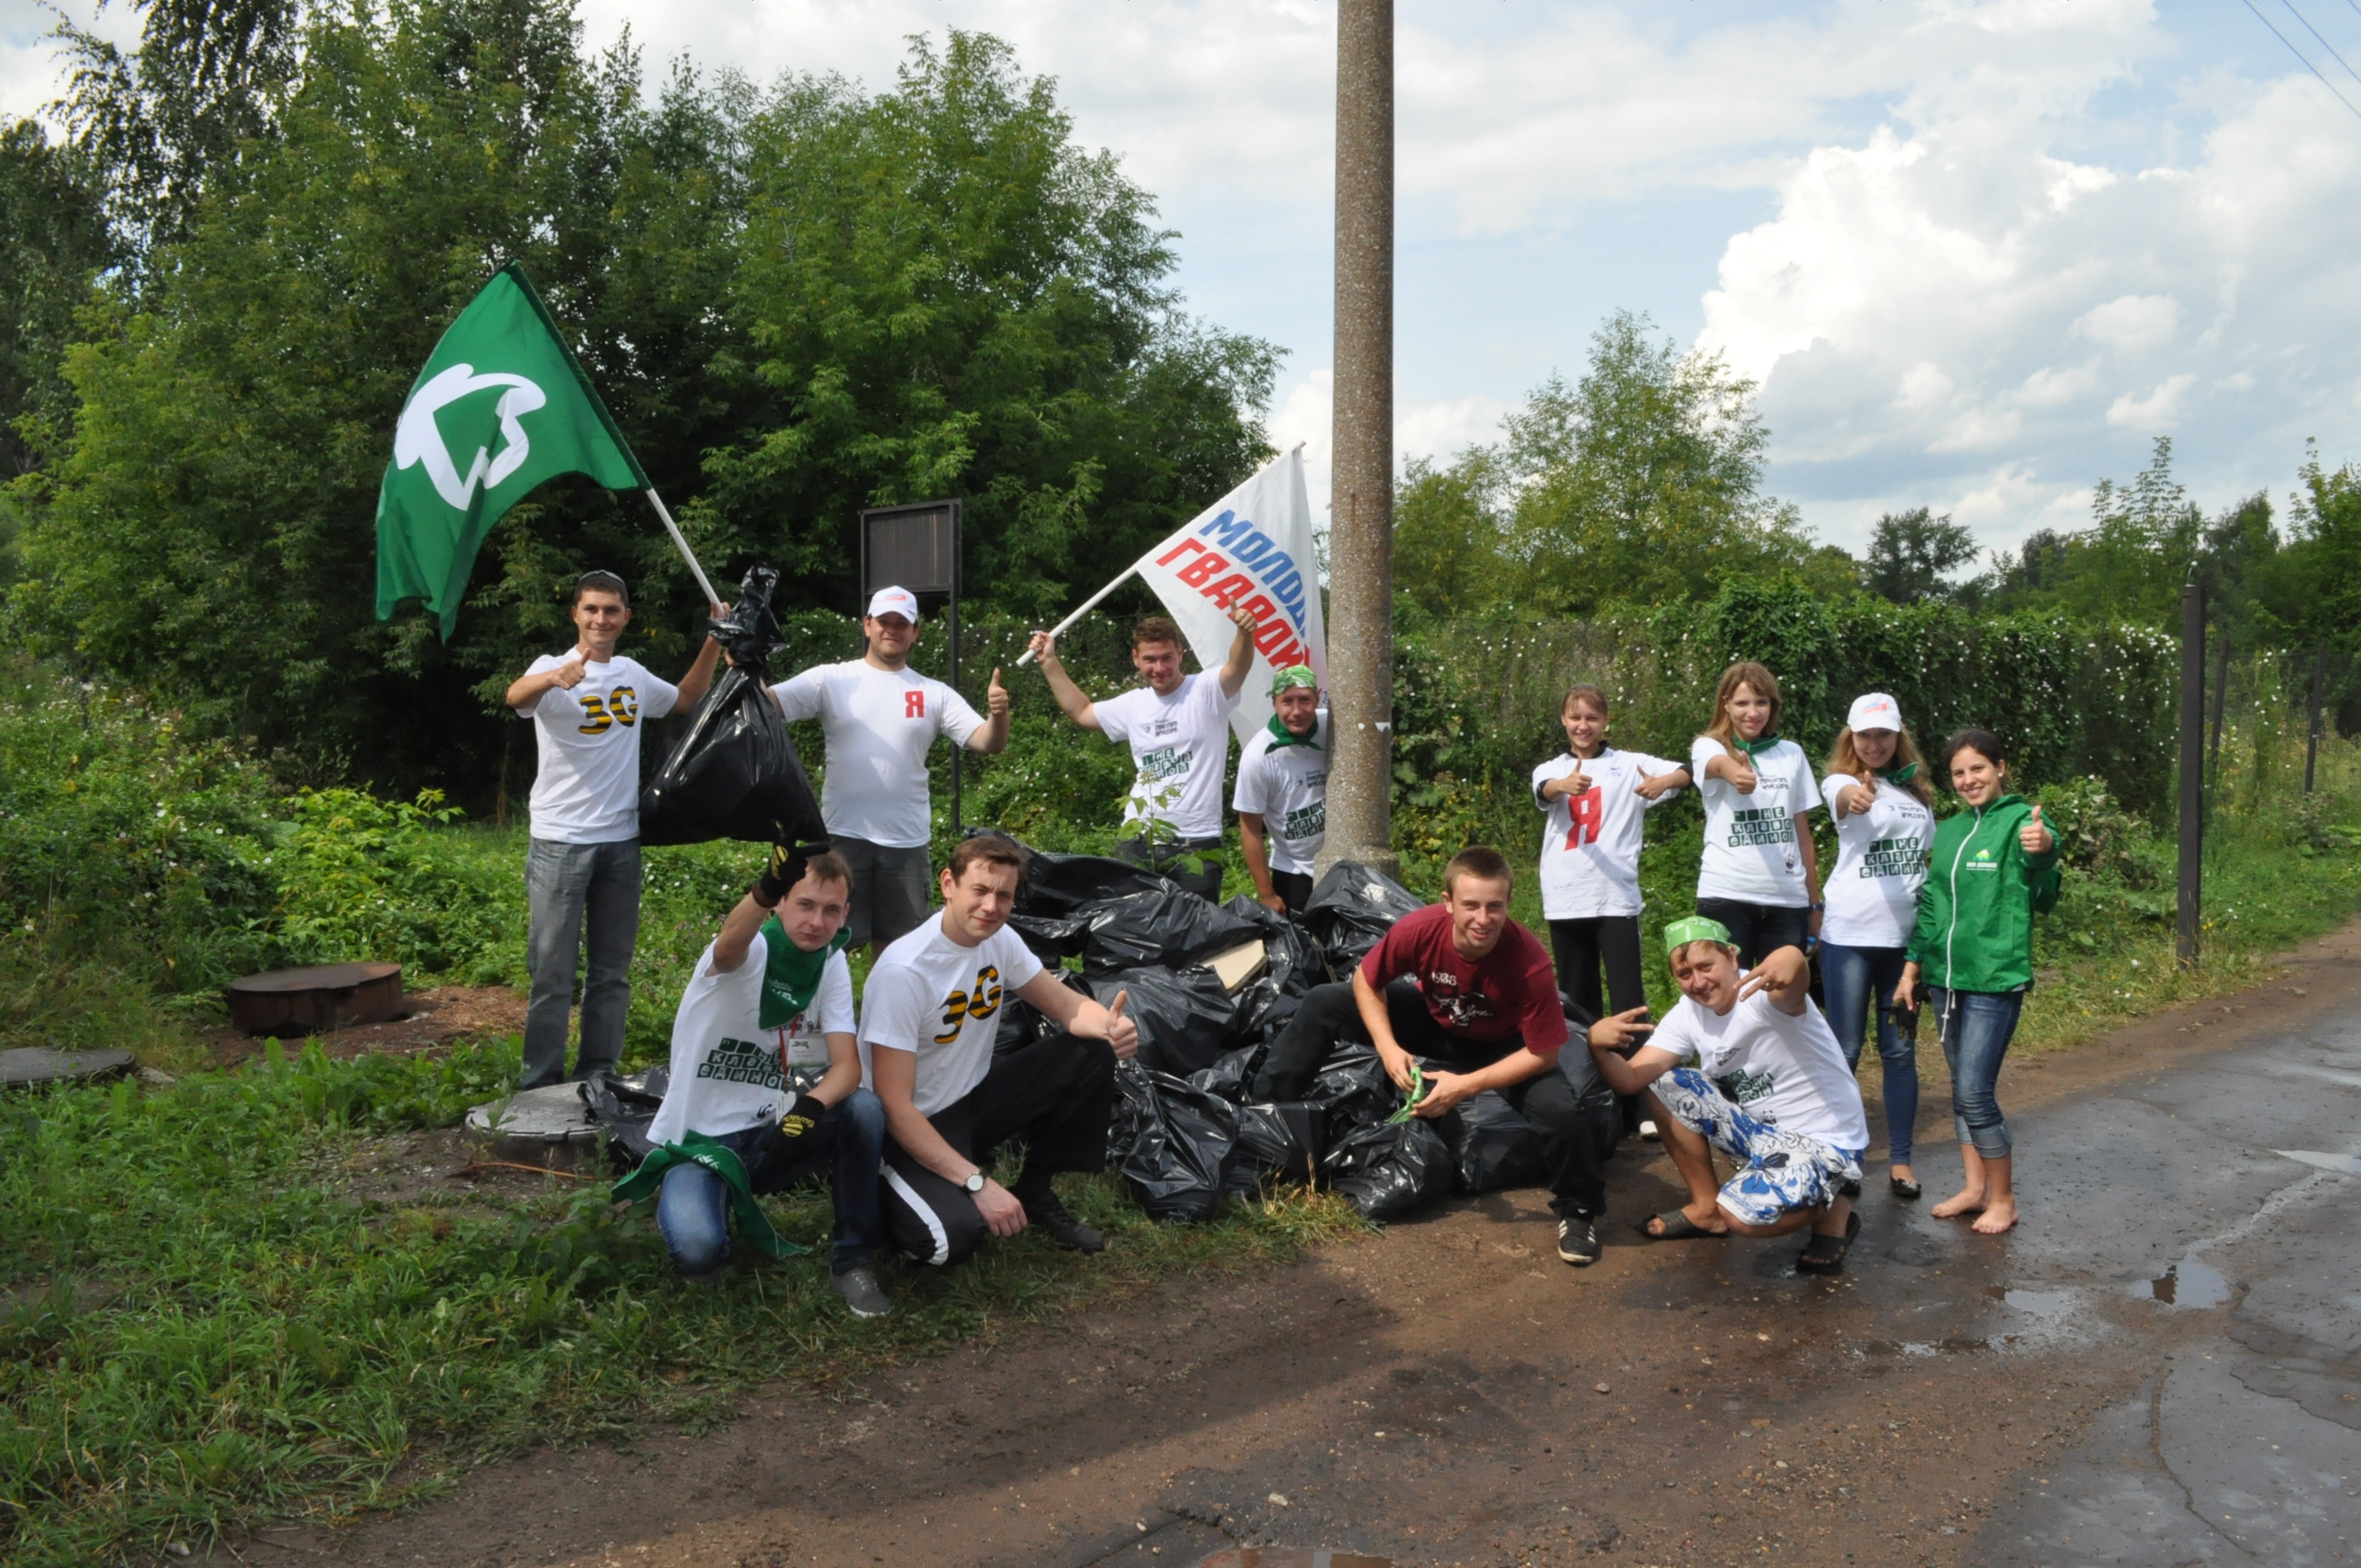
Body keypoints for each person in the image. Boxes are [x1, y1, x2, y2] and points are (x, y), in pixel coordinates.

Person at [1250, 846, 1617, 1268]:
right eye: (1471, 906)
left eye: (1494, 907)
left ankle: (1579, 1211)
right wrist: (1389, 1049)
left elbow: (1545, 1055)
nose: (1483, 919)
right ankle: (1266, 1120)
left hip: (1503, 1047)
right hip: (1437, 1026)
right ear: (1448, 903)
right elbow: (1367, 981)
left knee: (1562, 1114)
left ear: (1508, 904)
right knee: (1323, 1001)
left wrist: (1464, 1086)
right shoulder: (1419, 930)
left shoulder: (1529, 961)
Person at [620, 846, 892, 1318]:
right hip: (700, 1142)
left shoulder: (830, 962)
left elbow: (848, 1069)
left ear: (846, 913)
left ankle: (852, 1260)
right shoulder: (753, 950)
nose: (817, 922)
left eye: (831, 910)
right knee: (698, 1250)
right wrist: (763, 887)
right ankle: (702, 1201)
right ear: (780, 903)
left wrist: (810, 1109)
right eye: (804, 904)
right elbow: (729, 944)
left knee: (864, 1110)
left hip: (772, 1135)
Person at [862, 833, 1142, 1266]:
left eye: (1004, 896)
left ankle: (1035, 1190)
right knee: (951, 1242)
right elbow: (894, 1106)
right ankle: (890, 1194)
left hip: (971, 1103)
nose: (991, 907)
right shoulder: (905, 971)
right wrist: (977, 1183)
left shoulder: (1000, 939)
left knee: (1093, 1049)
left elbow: (1066, 1007)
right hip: (910, 1125)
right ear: (949, 884)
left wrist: (1109, 1025)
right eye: (979, 890)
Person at [505, 570, 722, 1090]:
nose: (601, 619)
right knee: (552, 974)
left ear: (626, 617)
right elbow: (515, 696)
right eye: (591, 610)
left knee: (611, 973)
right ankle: (541, 1082)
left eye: (611, 610)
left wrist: (715, 639)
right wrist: (552, 680)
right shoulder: (553, 668)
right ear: (576, 615)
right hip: (560, 842)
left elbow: (686, 700)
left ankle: (597, 1075)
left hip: (621, 842)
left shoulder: (631, 673)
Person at [1589, 918, 1868, 1272]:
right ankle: (1706, 1210)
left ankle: (1833, 1208)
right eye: (1685, 973)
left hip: (1826, 1142)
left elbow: (1794, 980)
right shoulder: (1687, 1013)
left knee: (1743, 1219)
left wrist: (1793, 954)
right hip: (1763, 1136)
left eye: (1707, 966)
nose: (1699, 982)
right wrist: (1597, 1046)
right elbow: (1630, 1079)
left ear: (1732, 958)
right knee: (1667, 1083)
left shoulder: (1765, 994)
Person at [772, 587, 1011, 955]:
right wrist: (744, 662)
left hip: (906, 842)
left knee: (898, 950)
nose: (892, 630)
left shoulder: (934, 693)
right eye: (884, 621)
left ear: (916, 632)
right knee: (824, 940)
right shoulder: (832, 679)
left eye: (903, 623)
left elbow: (987, 742)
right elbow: (770, 703)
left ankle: (882, 1014)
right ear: (867, 625)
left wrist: (999, 715)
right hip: (842, 834)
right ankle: (822, 1014)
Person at [1894, 728, 2060, 1236]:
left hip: (1993, 980)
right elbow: (1932, 910)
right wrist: (1911, 970)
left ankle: (2004, 1200)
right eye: (1959, 773)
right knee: (1960, 1091)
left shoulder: (2020, 823)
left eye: (1978, 769)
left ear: (2000, 767)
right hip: (1946, 983)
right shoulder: (1947, 833)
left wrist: (2044, 848)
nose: (1969, 780)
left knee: (1975, 1091)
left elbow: (2045, 887)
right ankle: (1974, 1190)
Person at [1531, 683, 1689, 1136]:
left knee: (1629, 1004)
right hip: (1565, 898)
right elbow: (1544, 789)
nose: (1583, 726)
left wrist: (1663, 782)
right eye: (1575, 717)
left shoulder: (1628, 763)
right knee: (1579, 1004)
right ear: (1563, 720)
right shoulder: (1553, 768)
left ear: (1606, 722)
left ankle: (1639, 1103)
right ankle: (1592, 1099)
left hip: (1615, 899)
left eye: (1592, 718)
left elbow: (1685, 771)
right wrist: (1562, 786)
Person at [1026, 606, 1261, 901]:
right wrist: (1049, 661)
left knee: (1198, 937)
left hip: (1197, 842)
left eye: (1167, 658)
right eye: (1150, 659)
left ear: (1180, 654)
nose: (1159, 668)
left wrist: (1244, 633)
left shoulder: (1205, 691)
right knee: (1134, 932)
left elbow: (1237, 666)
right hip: (1138, 838)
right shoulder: (1133, 705)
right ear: (1136, 659)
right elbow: (1082, 712)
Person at [1816, 693, 1937, 1200]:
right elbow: (1848, 799)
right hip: (1849, 938)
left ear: (1897, 735)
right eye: (1864, 735)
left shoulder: (1917, 793)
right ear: (1851, 737)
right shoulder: (1841, 781)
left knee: (1900, 1051)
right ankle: (1841, 1155)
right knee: (1844, 1049)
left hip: (1904, 946)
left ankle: (1901, 1161)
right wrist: (1857, 797)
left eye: (1883, 735)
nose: (1873, 744)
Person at [1690, 661, 1824, 966]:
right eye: (1742, 703)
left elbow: (1803, 837)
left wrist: (1814, 906)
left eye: (1761, 702)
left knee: (1782, 1002)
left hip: (1787, 901)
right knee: (1728, 999)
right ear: (1726, 704)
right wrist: (1737, 773)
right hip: (1726, 895)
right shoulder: (1709, 746)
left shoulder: (1792, 753)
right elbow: (1717, 765)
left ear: (1772, 705)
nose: (1753, 712)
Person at [1234, 666, 1329, 914]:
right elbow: (1250, 829)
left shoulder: (1332, 728)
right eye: (1287, 702)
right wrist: (1267, 895)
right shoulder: (1258, 757)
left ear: (1318, 698)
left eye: (1305, 700)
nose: (1297, 712)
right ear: (1274, 703)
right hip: (1294, 871)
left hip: (1339, 862)